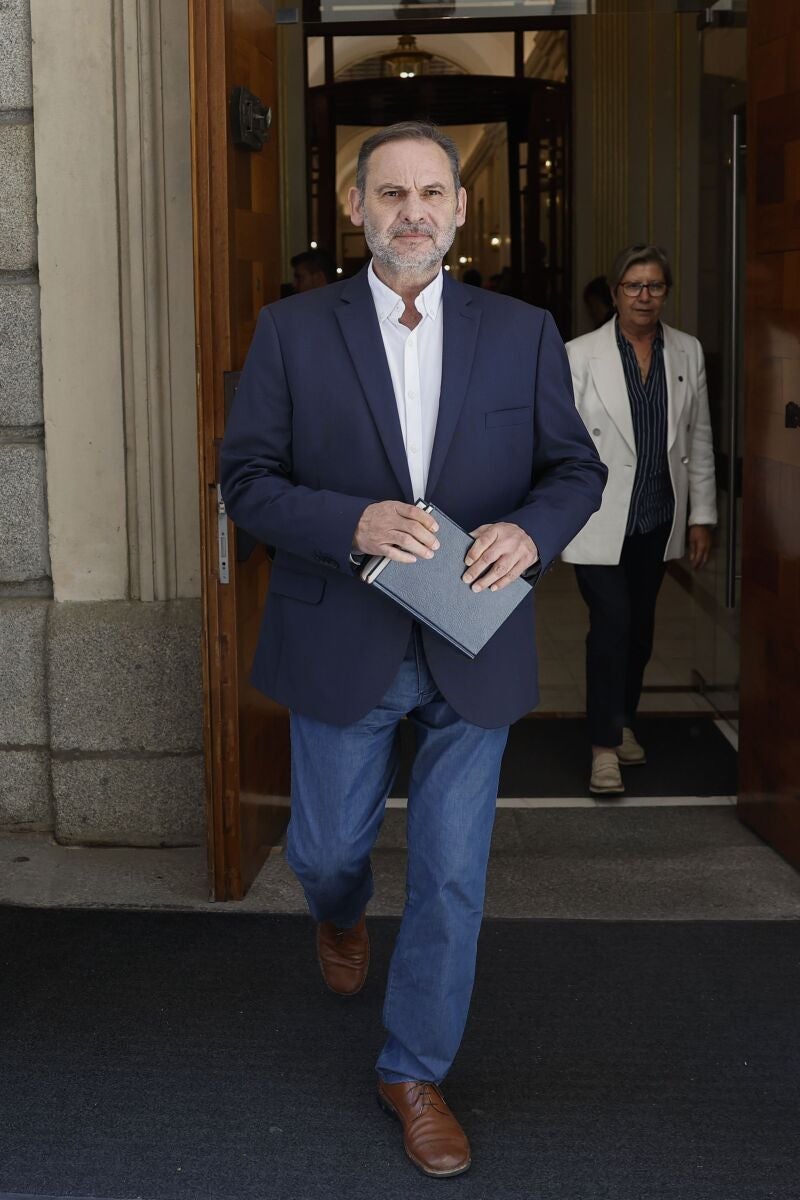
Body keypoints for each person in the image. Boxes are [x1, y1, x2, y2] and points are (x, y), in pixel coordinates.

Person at [220, 121, 606, 1179]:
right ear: (356, 208)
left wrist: (532, 534)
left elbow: (574, 471)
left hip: (473, 641)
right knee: (324, 852)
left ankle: (413, 1071)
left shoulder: (521, 331)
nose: (413, 213)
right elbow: (246, 480)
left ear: (461, 208)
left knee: (449, 877)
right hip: (341, 638)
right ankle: (338, 915)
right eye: (390, 193)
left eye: (432, 192)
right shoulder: (291, 330)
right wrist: (347, 521)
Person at [562, 244, 717, 797]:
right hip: (597, 516)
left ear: (665, 292)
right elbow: (560, 443)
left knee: (640, 630)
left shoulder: (687, 351)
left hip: (655, 516)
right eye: (633, 286)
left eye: (655, 286)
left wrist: (702, 515)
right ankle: (604, 749)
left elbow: (699, 438)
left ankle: (622, 719)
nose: (644, 296)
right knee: (613, 624)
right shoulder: (579, 355)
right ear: (614, 293)